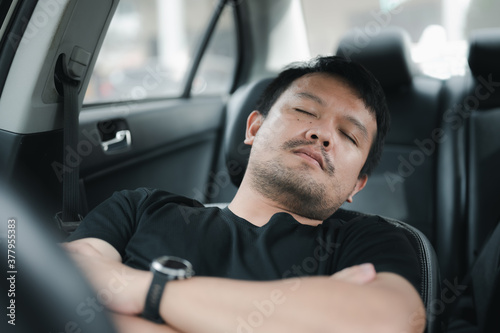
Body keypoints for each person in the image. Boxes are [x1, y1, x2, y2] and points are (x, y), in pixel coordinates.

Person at [63, 56, 426, 333]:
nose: (323, 134)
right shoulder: (139, 208)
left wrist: (142, 292)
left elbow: (389, 321)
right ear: (254, 127)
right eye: (303, 110)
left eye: (349, 135)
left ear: (357, 185)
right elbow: (54, 290)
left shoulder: (373, 242)